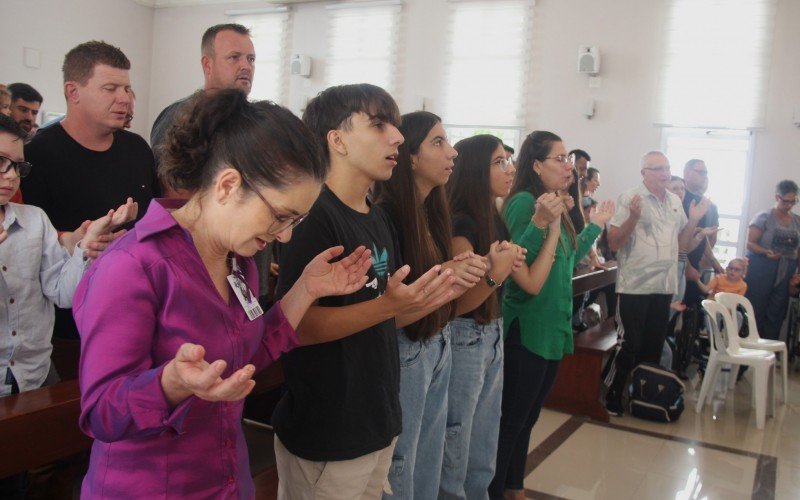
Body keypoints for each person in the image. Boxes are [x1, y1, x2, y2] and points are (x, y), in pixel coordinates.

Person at [75, 89, 378, 498]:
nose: (285, 235)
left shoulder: (240, 263)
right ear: (228, 185)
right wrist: (170, 383)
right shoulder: (132, 268)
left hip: (225, 482)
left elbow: (244, 357)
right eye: (280, 216)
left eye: (297, 220)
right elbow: (101, 414)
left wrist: (306, 289)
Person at [273, 84, 454, 500]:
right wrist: (386, 307)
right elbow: (296, 326)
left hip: (376, 421)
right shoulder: (314, 215)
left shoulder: (374, 215)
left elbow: (382, 315)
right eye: (378, 125)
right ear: (336, 139)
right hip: (331, 430)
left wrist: (427, 297)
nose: (397, 136)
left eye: (394, 124)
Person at [0, 114, 129, 497]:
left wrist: (84, 253)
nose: (10, 176)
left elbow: (62, 293)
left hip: (33, 374)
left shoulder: (35, 220)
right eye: (0, 163)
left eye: (17, 166)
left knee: (22, 475)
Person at [490, 131, 614, 499]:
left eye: (568, 159)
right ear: (536, 165)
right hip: (526, 326)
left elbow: (567, 263)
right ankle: (495, 490)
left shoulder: (558, 204)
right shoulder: (525, 202)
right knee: (511, 421)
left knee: (528, 417)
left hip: (550, 325)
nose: (569, 166)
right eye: (559, 159)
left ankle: (514, 486)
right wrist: (542, 221)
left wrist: (595, 226)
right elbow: (516, 259)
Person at [374, 112, 490, 499]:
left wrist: (471, 273)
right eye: (437, 143)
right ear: (409, 156)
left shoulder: (431, 210)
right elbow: (391, 304)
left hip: (435, 342)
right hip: (408, 346)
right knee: (402, 463)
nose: (452, 152)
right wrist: (449, 276)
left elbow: (442, 290)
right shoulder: (388, 213)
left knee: (429, 457)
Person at [21, 41, 160, 341]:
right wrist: (74, 241)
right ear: (74, 92)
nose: (124, 99)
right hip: (67, 324)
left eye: (127, 88)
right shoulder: (37, 155)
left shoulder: (137, 149)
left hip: (133, 310)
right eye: (111, 88)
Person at [441, 134, 523, 499]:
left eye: (508, 161)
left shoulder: (494, 213)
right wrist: (496, 273)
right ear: (476, 170)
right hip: (465, 333)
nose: (509, 169)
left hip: (491, 331)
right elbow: (458, 300)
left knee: (484, 440)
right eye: (499, 162)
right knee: (457, 439)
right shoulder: (462, 221)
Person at [604, 151, 708, 416]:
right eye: (657, 168)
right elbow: (614, 243)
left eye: (667, 168)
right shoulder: (630, 198)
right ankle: (612, 393)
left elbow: (680, 247)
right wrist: (634, 218)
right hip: (634, 286)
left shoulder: (674, 201)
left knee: (652, 346)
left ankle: (641, 394)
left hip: (663, 287)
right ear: (644, 173)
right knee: (630, 344)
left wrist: (694, 219)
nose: (664, 173)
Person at [150, 23, 255, 158]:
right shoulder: (177, 117)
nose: (247, 66)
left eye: (251, 59)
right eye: (234, 57)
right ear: (207, 65)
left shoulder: (256, 120)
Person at [744, 180, 800, 340]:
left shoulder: (797, 221)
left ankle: (768, 352)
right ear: (777, 197)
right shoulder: (764, 217)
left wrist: (798, 273)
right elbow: (750, 243)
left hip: (786, 269)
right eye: (785, 201)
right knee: (756, 308)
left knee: (777, 311)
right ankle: (749, 351)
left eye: (793, 201)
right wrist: (765, 251)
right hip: (762, 266)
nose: (789, 205)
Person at [682, 159, 723, 307]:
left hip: (696, 264)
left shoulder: (707, 204)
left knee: (691, 308)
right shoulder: (679, 199)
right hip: (678, 264)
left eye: (706, 173)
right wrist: (687, 266)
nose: (705, 176)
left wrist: (712, 260)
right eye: (701, 172)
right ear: (686, 173)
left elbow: (702, 235)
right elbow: (678, 239)